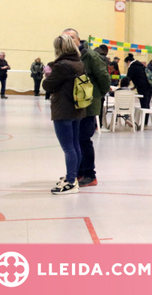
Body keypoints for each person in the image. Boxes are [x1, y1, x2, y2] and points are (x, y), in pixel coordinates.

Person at [62, 28, 111, 188]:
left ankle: (90, 175)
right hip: (74, 105)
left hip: (89, 104)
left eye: (71, 38)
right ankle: (79, 172)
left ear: (78, 40)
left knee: (84, 139)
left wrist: (97, 95)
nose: (69, 41)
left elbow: (104, 77)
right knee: (76, 140)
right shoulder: (67, 57)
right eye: (65, 38)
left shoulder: (90, 56)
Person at [42, 35, 86, 195]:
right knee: (75, 145)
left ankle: (70, 181)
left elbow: (47, 85)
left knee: (68, 148)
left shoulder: (62, 65)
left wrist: (48, 74)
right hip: (77, 108)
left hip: (63, 109)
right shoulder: (78, 62)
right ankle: (72, 177)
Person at [124, 53, 152, 125]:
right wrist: (134, 87)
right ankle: (145, 122)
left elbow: (128, 78)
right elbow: (140, 77)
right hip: (149, 87)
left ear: (128, 62)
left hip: (143, 88)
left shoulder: (132, 67)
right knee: (146, 105)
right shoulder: (140, 65)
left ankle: (144, 123)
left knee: (144, 105)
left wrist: (123, 87)